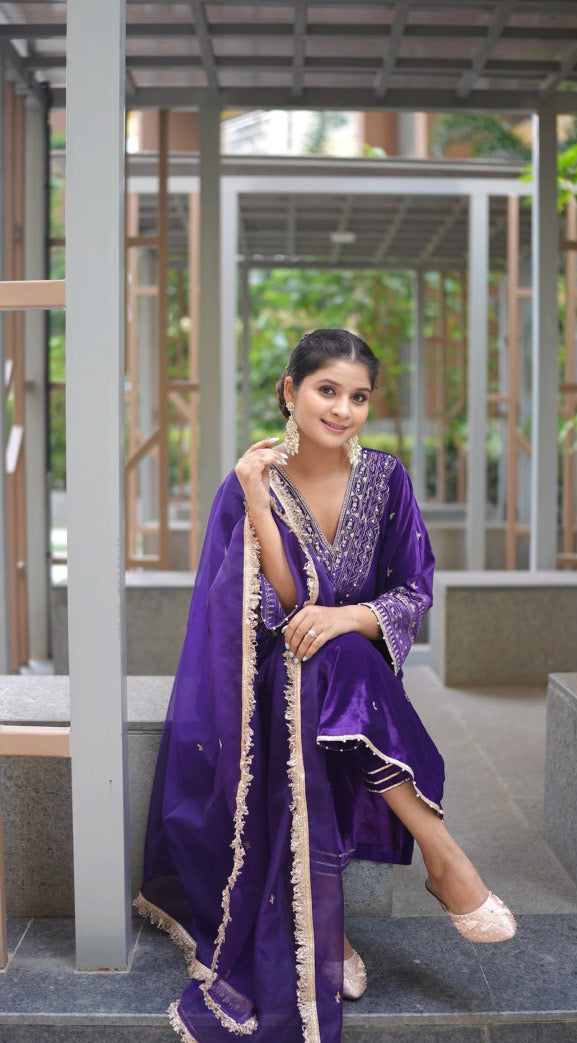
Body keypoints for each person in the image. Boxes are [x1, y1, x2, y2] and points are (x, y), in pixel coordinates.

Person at [134, 328, 516, 1043]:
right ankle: (440, 857)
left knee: (340, 654)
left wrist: (347, 616)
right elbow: (274, 607)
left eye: (358, 397)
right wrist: (256, 502)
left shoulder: (386, 479)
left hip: (351, 674)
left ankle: (343, 917)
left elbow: (412, 590)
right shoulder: (253, 478)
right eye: (327, 390)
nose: (342, 409)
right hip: (267, 677)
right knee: (325, 655)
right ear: (291, 390)